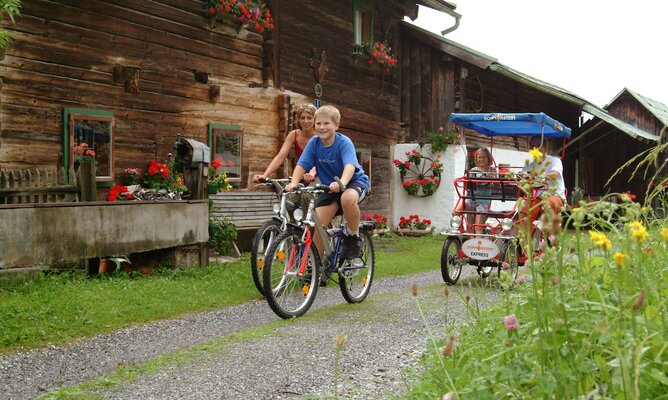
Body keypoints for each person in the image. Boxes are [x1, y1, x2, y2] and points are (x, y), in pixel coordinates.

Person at [285, 105, 370, 260]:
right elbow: (301, 165)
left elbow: (350, 166)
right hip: (330, 188)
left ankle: (353, 237)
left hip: (353, 183)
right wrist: (294, 182)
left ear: (336, 125)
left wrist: (342, 183)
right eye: (318, 124)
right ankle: (317, 268)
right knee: (318, 226)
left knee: (347, 199)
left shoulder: (344, 143)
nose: (322, 127)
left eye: (326, 123)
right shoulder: (314, 143)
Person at [253, 103, 317, 183]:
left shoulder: (320, 136)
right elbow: (280, 157)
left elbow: (321, 159)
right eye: (302, 118)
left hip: (320, 173)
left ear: (315, 120)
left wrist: (312, 172)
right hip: (301, 173)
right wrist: (265, 175)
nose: (306, 121)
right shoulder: (294, 135)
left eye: (309, 118)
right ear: (298, 120)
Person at [519, 136, 566, 235]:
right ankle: (526, 242)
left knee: (545, 204)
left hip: (555, 197)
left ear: (545, 148)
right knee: (523, 212)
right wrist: (520, 178)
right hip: (535, 199)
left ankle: (551, 237)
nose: (536, 148)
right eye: (533, 146)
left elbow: (554, 174)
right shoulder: (529, 166)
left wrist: (540, 174)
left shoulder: (555, 161)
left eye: (539, 145)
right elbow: (523, 181)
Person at [452, 147, 497, 234]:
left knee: (477, 227)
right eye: (479, 157)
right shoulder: (473, 170)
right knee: (455, 213)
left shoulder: (491, 170)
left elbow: (497, 184)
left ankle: (478, 245)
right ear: (476, 158)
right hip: (471, 199)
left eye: (484, 157)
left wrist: (492, 178)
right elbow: (467, 184)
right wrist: (467, 177)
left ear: (488, 158)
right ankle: (462, 231)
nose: (481, 159)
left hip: (483, 201)